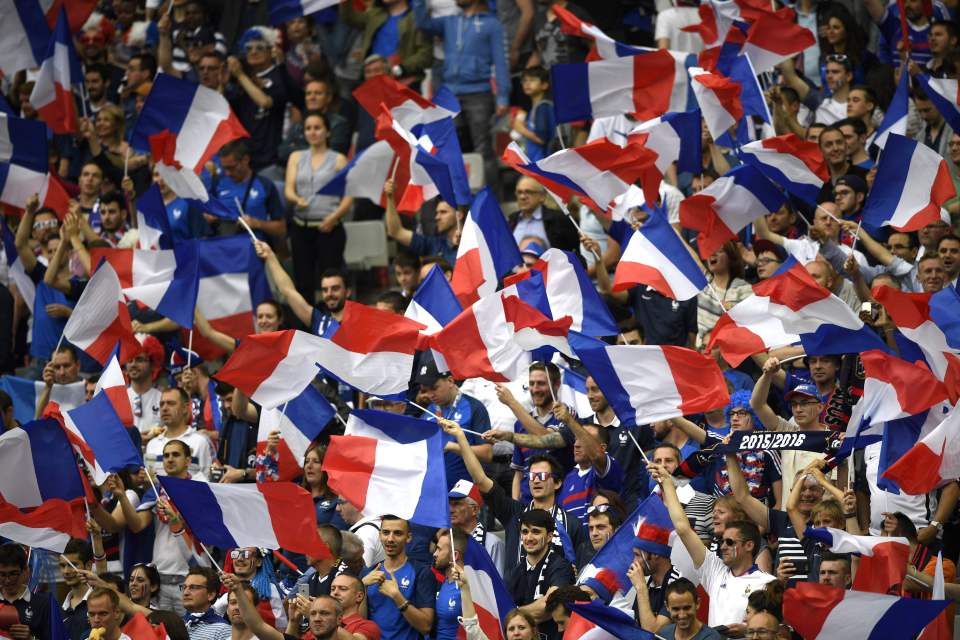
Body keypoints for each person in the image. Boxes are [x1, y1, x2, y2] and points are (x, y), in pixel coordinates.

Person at [649, 462, 775, 632]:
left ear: (749, 545)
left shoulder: (767, 583)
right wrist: (667, 483)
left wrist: (747, 630)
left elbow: (777, 628)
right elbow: (683, 528)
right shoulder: (715, 570)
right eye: (722, 541)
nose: (723, 546)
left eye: (730, 542)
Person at [444, 419, 588, 567]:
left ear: (557, 483)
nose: (536, 481)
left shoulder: (572, 524)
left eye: (542, 476)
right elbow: (480, 479)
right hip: (517, 590)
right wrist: (460, 436)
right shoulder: (514, 513)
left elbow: (579, 566)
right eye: (531, 476)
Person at [412, 0, 509, 196]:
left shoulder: (492, 24)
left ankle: (492, 200)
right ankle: (458, 200)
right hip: (450, 93)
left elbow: (501, 61)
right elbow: (423, 23)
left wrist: (503, 96)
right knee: (451, 149)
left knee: (483, 148)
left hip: (478, 92)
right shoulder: (449, 21)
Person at [123, 441, 208, 614]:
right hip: (160, 578)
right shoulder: (156, 491)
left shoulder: (200, 490)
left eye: (176, 455)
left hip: (189, 577)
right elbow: (137, 525)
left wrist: (175, 516)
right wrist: (120, 496)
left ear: (188, 460)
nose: (169, 459)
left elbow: (203, 526)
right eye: (166, 455)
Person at [284, 111, 353, 302]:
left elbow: (349, 196)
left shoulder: (338, 159)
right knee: (303, 281)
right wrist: (297, 199)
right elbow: (289, 189)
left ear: (327, 132)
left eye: (317, 128)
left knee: (331, 280)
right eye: (308, 128)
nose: (312, 132)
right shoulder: (296, 157)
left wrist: (333, 217)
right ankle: (308, 327)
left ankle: (334, 325)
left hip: (329, 227)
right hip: (301, 226)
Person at [415, 358, 492, 487]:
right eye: (425, 390)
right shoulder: (428, 410)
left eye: (434, 388)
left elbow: (487, 453)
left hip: (465, 492)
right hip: (434, 488)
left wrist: (452, 446)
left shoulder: (474, 407)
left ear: (450, 381)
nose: (430, 395)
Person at [360, 515, 436, 640]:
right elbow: (361, 623)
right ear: (379, 535)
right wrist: (362, 587)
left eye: (398, 533)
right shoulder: (367, 573)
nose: (390, 538)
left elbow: (425, 626)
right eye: (386, 532)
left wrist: (397, 596)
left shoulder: (421, 572)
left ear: (409, 537)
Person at [254, 241, 349, 336]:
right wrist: (270, 256)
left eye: (335, 288)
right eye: (325, 290)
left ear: (348, 292)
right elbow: (288, 291)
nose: (329, 294)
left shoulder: (361, 320)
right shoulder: (321, 323)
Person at [226, 29, 288, 171]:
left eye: (260, 47)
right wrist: (223, 84)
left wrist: (240, 75)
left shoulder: (279, 76)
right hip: (246, 160)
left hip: (270, 161)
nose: (253, 52)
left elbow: (265, 102)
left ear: (271, 51)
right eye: (248, 48)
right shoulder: (240, 81)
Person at [339, 0, 432, 84]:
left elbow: (426, 55)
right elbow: (350, 18)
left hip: (404, 82)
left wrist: (399, 69)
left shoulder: (417, 17)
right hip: (373, 80)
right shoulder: (376, 14)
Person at [212, 141, 285, 237]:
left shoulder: (265, 185)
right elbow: (209, 215)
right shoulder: (218, 183)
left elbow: (281, 229)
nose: (227, 173)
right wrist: (210, 217)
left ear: (245, 160)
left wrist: (258, 224)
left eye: (231, 168)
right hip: (225, 247)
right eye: (224, 168)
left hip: (255, 247)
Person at [383, 180, 460, 267]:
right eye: (437, 213)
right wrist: (390, 198)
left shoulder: (473, 242)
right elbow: (395, 231)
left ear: (458, 215)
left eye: (443, 212)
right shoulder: (433, 244)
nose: (437, 217)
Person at [143, 387, 215, 480]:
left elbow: (209, 480)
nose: (164, 408)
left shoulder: (201, 441)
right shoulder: (152, 445)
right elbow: (150, 484)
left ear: (185, 408)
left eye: (171, 403)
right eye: (161, 404)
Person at [212, 549, 286, 630]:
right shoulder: (226, 590)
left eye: (246, 554)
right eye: (235, 554)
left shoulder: (269, 589)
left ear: (258, 562)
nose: (239, 558)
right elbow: (212, 616)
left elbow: (281, 626)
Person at [448, 480, 505, 575]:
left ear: (474, 509)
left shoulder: (492, 543)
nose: (450, 510)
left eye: (457, 504)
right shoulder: (446, 540)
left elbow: (499, 584)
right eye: (449, 504)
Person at [507, 178, 579, 252]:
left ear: (542, 196)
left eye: (528, 192)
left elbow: (575, 251)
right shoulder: (511, 221)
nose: (522, 197)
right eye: (519, 192)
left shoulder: (559, 220)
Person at [0, 543, 52, 640]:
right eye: (2, 575)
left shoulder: (43, 604)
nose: (7, 580)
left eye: (13, 574)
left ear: (26, 571)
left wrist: (31, 638)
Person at [653, 579, 721, 640]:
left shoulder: (712, 637)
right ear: (667, 607)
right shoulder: (664, 633)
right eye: (676, 609)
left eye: (687, 608)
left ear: (697, 603)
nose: (682, 615)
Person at [511, 67, 555, 162]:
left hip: (542, 163)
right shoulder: (534, 108)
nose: (527, 83)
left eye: (532, 80)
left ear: (544, 85)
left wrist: (520, 128)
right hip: (535, 161)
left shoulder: (543, 107)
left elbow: (541, 139)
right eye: (524, 80)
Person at [180, 567, 231, 640]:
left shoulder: (223, 630)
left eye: (193, 587)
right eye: (184, 587)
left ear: (210, 595)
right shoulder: (175, 625)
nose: (185, 593)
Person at [329, 574, 381, 640]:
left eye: (343, 589)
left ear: (359, 596)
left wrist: (325, 621)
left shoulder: (367, 626)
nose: (335, 592)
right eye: (332, 589)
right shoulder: (317, 623)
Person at [336, 500, 385, 568]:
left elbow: (359, 573)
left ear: (357, 504)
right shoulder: (370, 527)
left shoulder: (365, 533)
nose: (337, 508)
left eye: (342, 503)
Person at [60, 540, 94, 640]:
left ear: (88, 565)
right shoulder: (59, 610)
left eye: (72, 564)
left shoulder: (101, 603)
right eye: (62, 566)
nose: (66, 571)